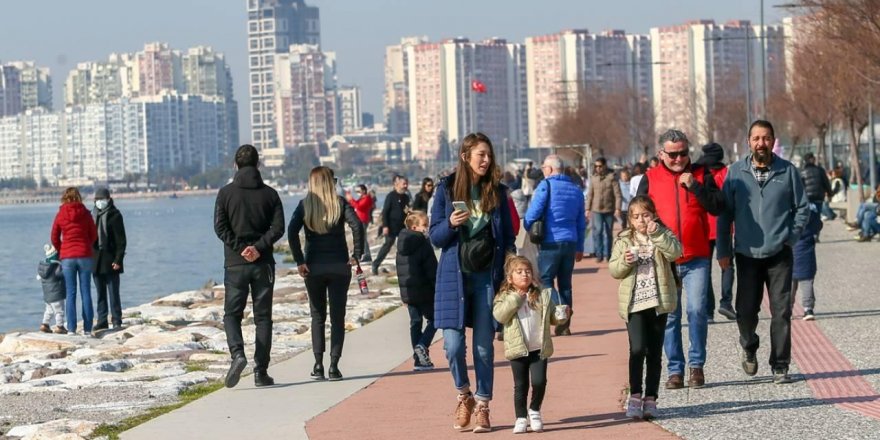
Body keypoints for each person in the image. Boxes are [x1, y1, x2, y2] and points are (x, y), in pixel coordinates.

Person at [430, 132, 516, 433]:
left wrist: (511, 271)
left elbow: (507, 237)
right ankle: (464, 393)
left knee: (483, 347)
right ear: (465, 157)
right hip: (454, 276)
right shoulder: (446, 189)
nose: (486, 160)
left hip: (486, 279)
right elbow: (435, 236)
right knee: (452, 346)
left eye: (489, 155)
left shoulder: (498, 191)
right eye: (481, 154)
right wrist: (450, 224)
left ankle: (482, 404)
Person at [717, 120, 810, 385]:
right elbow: (724, 215)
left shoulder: (787, 171)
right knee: (745, 311)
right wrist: (723, 250)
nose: (761, 143)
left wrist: (790, 238)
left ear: (773, 141)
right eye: (756, 138)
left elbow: (802, 208)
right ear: (748, 142)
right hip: (746, 255)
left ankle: (780, 364)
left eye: (766, 138)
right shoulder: (735, 173)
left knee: (781, 311)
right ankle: (749, 344)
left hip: (779, 254)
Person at [635, 129, 725, 390]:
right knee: (670, 316)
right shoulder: (649, 179)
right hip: (664, 259)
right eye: (673, 154)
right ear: (661, 154)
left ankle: (697, 366)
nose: (678, 159)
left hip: (696, 256)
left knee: (697, 310)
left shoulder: (701, 174)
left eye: (684, 153)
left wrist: (695, 187)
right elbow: (636, 213)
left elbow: (717, 206)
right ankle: (675, 370)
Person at [214, 145, 285, 388]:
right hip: (263, 263)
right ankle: (261, 372)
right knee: (263, 318)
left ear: (235, 165)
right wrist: (258, 248)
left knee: (232, 314)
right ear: (258, 165)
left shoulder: (225, 194)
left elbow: (220, 228)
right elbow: (278, 229)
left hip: (235, 263)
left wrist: (240, 248)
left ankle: (237, 354)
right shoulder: (271, 194)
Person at [609, 196, 682, 421]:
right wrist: (625, 261)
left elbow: (676, 253)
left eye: (646, 215)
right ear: (630, 219)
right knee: (637, 349)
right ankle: (635, 396)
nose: (641, 220)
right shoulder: (623, 240)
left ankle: (651, 398)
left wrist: (657, 234)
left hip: (658, 302)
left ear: (654, 215)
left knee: (654, 352)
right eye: (636, 216)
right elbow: (614, 269)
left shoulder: (663, 233)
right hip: (635, 303)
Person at [289, 166, 364, 382]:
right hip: (340, 266)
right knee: (337, 317)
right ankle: (334, 366)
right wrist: (356, 254)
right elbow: (357, 225)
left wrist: (299, 261)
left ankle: (318, 364)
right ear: (330, 183)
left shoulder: (305, 205)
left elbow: (292, 232)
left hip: (313, 266)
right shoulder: (339, 203)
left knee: (318, 315)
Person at [492, 255, 567, 434]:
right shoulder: (504, 296)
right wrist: (516, 299)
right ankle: (520, 417)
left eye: (527, 271)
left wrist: (561, 316)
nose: (524, 275)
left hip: (538, 347)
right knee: (520, 385)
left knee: (540, 382)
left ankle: (534, 410)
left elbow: (551, 319)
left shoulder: (541, 294)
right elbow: (499, 316)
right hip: (517, 348)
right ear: (510, 278)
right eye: (519, 272)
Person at [523, 154, 585, 336]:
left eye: (543, 168)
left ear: (549, 169)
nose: (542, 171)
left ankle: (561, 309)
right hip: (571, 241)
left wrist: (528, 225)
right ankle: (564, 325)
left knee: (545, 280)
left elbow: (533, 212)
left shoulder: (546, 185)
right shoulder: (576, 189)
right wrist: (580, 246)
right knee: (566, 284)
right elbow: (581, 222)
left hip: (551, 240)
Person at [695, 143, 736, 322]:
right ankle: (726, 302)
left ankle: (708, 310)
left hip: (704, 227)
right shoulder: (728, 173)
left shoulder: (700, 174)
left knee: (705, 269)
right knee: (727, 266)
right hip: (724, 227)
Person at [51, 187, 98, 336]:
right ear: (78, 197)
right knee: (86, 292)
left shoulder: (60, 214)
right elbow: (94, 235)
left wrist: (62, 249)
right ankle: (87, 330)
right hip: (84, 256)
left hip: (67, 258)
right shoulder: (85, 213)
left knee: (71, 293)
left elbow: (54, 237)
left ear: (64, 198)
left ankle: (71, 329)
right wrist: (85, 245)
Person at [396, 211, 438, 371]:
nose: (427, 229)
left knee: (415, 323)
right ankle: (422, 345)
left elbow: (401, 272)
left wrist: (403, 295)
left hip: (410, 293)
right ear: (415, 227)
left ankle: (419, 360)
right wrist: (437, 288)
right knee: (435, 319)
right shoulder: (423, 243)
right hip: (425, 291)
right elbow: (431, 269)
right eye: (424, 226)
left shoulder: (401, 244)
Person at [91, 187, 127, 331]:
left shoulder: (115, 215)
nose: (100, 202)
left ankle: (117, 319)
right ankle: (102, 319)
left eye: (102, 199)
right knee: (100, 293)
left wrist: (118, 260)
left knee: (113, 292)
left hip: (111, 259)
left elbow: (121, 241)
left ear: (109, 199)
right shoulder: (92, 215)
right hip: (95, 260)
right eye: (97, 200)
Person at [372, 175, 410, 275]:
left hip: (402, 226)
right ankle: (375, 265)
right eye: (403, 184)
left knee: (405, 246)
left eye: (406, 184)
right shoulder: (391, 196)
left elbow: (406, 211)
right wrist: (385, 226)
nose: (405, 186)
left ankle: (406, 267)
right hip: (391, 226)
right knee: (387, 246)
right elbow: (385, 212)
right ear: (397, 185)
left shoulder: (406, 197)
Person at [586, 157, 621, 263]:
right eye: (596, 166)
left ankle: (608, 254)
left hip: (609, 209)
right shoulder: (593, 178)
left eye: (600, 166)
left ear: (605, 166)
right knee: (598, 231)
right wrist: (587, 208)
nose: (598, 168)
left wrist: (618, 208)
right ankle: (599, 254)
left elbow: (618, 194)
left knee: (608, 233)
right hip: (596, 210)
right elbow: (590, 195)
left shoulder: (611, 178)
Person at [792, 206, 822, 320]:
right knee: (807, 282)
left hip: (791, 252)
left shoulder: (788, 212)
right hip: (807, 254)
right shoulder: (810, 213)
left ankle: (787, 309)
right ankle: (808, 308)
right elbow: (819, 225)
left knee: (789, 285)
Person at [37, 244, 67, 334]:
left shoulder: (44, 267)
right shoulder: (56, 267)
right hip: (56, 294)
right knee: (59, 311)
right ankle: (60, 326)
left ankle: (44, 324)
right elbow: (62, 274)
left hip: (47, 296)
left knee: (49, 310)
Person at [347, 184, 375, 263]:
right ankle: (365, 254)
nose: (357, 193)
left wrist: (351, 199)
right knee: (362, 237)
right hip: (360, 219)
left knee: (363, 238)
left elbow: (359, 206)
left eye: (358, 191)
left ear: (363, 191)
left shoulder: (367, 198)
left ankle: (367, 254)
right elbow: (356, 204)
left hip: (363, 220)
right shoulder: (362, 198)